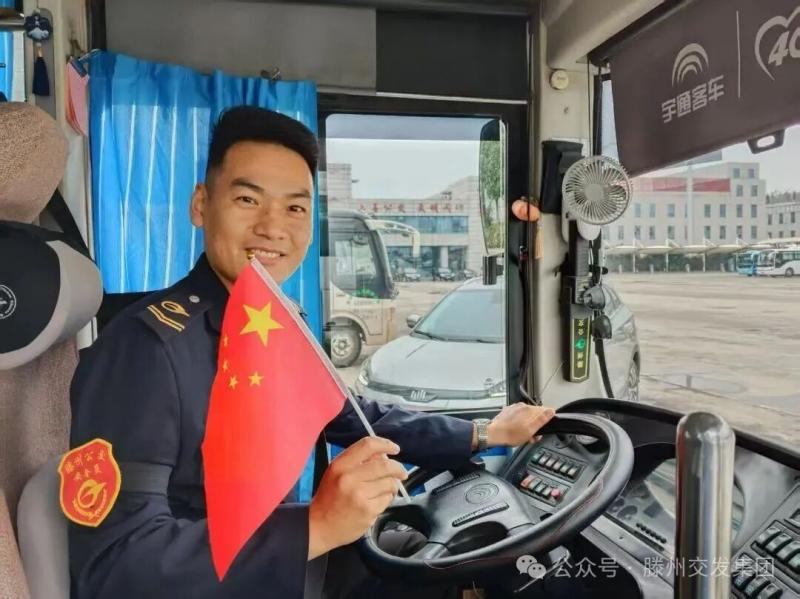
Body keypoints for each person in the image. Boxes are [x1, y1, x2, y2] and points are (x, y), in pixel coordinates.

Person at [68, 106, 555, 599]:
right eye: (247, 199)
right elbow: (115, 563)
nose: (272, 227)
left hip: (276, 562)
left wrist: (482, 433)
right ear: (201, 205)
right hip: (219, 585)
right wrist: (317, 526)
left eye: (295, 208)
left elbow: (351, 416)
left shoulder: (279, 324)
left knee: (440, 566)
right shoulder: (145, 349)